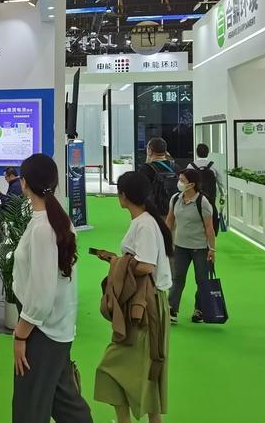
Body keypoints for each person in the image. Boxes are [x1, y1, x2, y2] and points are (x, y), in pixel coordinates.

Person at [10, 154, 91, 423]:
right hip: (55, 326)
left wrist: (21, 335)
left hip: (41, 330)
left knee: (29, 406)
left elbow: (42, 294)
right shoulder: (54, 220)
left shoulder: (44, 227)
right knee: (64, 401)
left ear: (24, 183)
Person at [95, 172, 171, 423]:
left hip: (145, 306)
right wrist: (119, 261)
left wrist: (119, 264)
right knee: (148, 369)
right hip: (145, 303)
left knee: (115, 366)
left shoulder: (145, 225)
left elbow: (146, 265)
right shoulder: (145, 222)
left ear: (124, 195)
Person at [165, 169, 216, 324]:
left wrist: (212, 249)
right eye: (179, 179)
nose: (179, 182)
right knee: (177, 278)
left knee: (202, 280)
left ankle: (199, 310)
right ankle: (172, 309)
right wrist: (164, 240)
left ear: (192, 184)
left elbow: (209, 228)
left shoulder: (203, 202)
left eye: (182, 180)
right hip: (180, 247)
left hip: (200, 248)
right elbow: (169, 221)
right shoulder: (175, 199)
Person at [138, 138, 179, 222]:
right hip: (174, 211)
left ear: (149, 150)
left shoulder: (145, 169)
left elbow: (140, 192)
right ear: (165, 151)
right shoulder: (176, 167)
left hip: (154, 213)